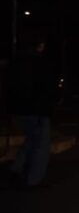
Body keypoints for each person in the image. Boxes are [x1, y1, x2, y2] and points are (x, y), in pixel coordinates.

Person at [6, 36, 58, 189]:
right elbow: (47, 88)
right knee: (41, 144)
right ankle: (33, 180)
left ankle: (16, 168)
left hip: (18, 110)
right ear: (40, 46)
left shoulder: (16, 62)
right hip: (37, 110)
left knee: (32, 139)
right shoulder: (41, 63)